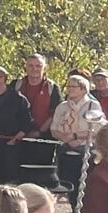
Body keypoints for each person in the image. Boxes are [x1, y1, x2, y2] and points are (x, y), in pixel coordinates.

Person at [48, 74, 105, 207]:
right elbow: (54, 129)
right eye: (68, 86)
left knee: (86, 187)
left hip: (86, 152)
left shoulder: (92, 106)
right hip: (66, 151)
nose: (69, 89)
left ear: (83, 89)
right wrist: (65, 138)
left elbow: (98, 129)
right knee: (70, 186)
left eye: (73, 86)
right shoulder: (62, 107)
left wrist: (76, 136)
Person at [16, 55, 64, 189]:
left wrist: (39, 132)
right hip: (20, 137)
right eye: (31, 65)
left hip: (44, 138)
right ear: (25, 67)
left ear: (44, 68)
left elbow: (55, 113)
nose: (34, 69)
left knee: (42, 175)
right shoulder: (17, 84)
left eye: (38, 66)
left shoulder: (52, 87)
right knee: (21, 175)